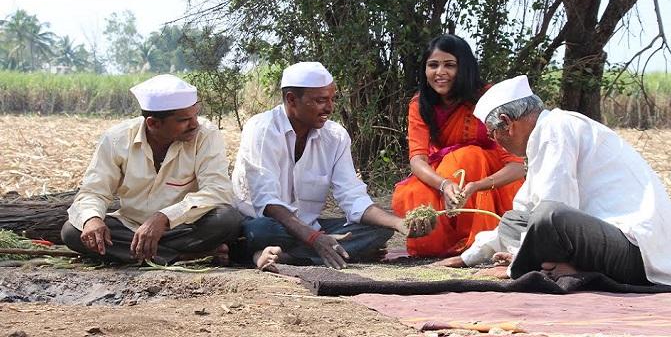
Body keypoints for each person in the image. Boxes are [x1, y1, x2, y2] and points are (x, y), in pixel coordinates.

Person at [435, 75, 671, 289]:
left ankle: (537, 264)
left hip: (638, 253)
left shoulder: (556, 129)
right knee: (514, 219)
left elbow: (554, 206)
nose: (496, 142)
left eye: (494, 135)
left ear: (507, 124)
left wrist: (519, 261)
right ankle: (554, 264)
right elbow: (524, 213)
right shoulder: (544, 136)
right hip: (606, 240)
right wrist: (470, 257)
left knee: (550, 215)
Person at [231, 62, 435, 270]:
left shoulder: (336, 136)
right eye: (320, 100)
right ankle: (320, 251)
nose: (329, 108)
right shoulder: (262, 129)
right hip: (265, 224)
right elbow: (268, 203)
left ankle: (287, 257)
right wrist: (315, 238)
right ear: (292, 99)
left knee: (380, 232)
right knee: (262, 231)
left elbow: (352, 197)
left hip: (310, 227)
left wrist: (399, 224)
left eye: (332, 99)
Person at [62, 74, 242, 265]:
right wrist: (92, 219)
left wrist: (164, 218)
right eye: (184, 120)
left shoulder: (206, 135)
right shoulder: (117, 139)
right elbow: (93, 191)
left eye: (196, 115)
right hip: (130, 227)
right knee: (72, 231)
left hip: (183, 226)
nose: (195, 124)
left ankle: (147, 253)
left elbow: (218, 190)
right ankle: (180, 256)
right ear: (153, 123)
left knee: (227, 219)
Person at [391, 34, 525, 257]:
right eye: (433, 65)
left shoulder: (488, 98)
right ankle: (447, 245)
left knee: (468, 156)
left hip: (491, 179)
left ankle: (474, 240)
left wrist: (477, 185)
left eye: (449, 65)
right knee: (414, 193)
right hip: (442, 176)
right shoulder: (419, 104)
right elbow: (418, 159)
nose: (439, 73)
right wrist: (444, 184)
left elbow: (517, 166)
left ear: (465, 68)